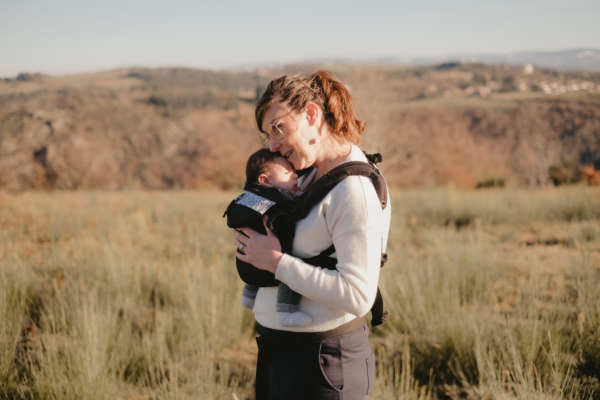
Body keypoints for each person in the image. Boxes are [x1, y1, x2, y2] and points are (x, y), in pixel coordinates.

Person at [233, 70, 391, 400]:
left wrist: (274, 262)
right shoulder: (307, 175)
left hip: (323, 366)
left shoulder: (353, 190)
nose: (273, 144)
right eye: (267, 135)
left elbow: (358, 294)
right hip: (281, 354)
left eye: (279, 127)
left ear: (312, 114)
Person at [225, 148, 313, 327]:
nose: (295, 176)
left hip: (245, 264)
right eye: (287, 172)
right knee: (292, 262)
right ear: (264, 179)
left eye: (294, 172)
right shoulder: (277, 199)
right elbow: (295, 210)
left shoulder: (248, 198)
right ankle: (286, 311)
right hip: (268, 267)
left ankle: (249, 295)